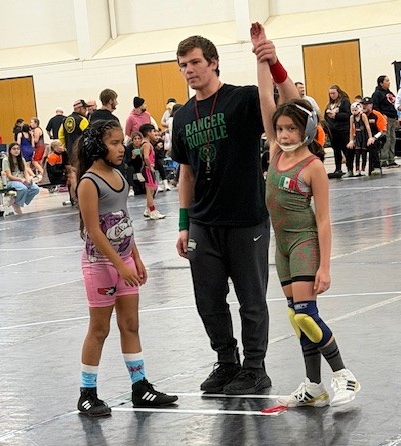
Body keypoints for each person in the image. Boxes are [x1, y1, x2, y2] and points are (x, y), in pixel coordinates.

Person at [172, 32, 297, 395]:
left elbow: (293, 105)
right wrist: (183, 224)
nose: (189, 70)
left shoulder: (242, 99)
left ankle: (255, 368)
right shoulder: (182, 117)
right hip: (203, 223)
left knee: (251, 300)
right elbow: (186, 174)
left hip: (246, 219)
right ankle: (227, 362)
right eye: (183, 65)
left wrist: (272, 62)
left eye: (195, 62)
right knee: (208, 300)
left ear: (213, 62)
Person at [251, 22, 360, 408]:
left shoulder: (313, 166)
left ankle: (343, 375)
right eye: (279, 129)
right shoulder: (275, 151)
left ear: (307, 130)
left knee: (307, 316)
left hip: (304, 243)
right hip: (281, 247)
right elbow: (266, 98)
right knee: (296, 317)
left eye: (290, 129)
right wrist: (261, 56)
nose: (282, 134)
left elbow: (325, 220)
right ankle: (313, 385)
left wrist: (325, 267)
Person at [74, 120, 178, 416]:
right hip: (100, 265)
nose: (122, 148)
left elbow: (124, 221)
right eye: (115, 143)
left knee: (130, 325)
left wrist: (136, 257)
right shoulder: (88, 182)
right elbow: (94, 230)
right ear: (98, 147)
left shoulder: (119, 176)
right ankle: (87, 393)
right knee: (99, 329)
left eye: (122, 142)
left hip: (124, 262)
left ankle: (140, 386)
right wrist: (120, 264)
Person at [2, 142, 40, 215]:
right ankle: (17, 204)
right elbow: (9, 176)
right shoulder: (5, 160)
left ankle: (17, 201)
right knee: (23, 188)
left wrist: (28, 179)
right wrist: (20, 180)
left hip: (22, 180)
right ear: (10, 150)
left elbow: (25, 172)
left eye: (18, 149)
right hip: (12, 181)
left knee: (35, 189)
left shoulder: (22, 159)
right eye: (14, 149)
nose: (16, 150)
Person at [323, 85, 352, 178]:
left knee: (346, 150)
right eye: (330, 94)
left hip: (343, 129)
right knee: (336, 150)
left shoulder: (344, 101)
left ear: (338, 93)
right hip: (333, 131)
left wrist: (336, 115)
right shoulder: (330, 104)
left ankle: (350, 168)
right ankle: (338, 168)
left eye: (334, 93)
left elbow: (348, 115)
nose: (332, 95)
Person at [371, 75, 399, 167]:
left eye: (389, 80)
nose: (389, 82)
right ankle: (383, 159)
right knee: (386, 139)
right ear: (381, 83)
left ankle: (391, 159)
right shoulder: (377, 94)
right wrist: (382, 115)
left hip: (392, 118)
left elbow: (393, 105)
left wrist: (396, 116)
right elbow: (375, 107)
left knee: (392, 139)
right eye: (386, 81)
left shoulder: (389, 93)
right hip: (385, 118)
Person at [139, 123, 165, 220]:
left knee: (153, 189)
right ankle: (153, 211)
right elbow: (146, 157)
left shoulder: (146, 144)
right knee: (150, 191)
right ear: (148, 133)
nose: (155, 134)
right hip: (148, 169)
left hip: (147, 168)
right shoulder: (147, 144)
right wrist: (150, 167)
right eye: (153, 131)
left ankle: (148, 209)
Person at [346, 101, 375, 177]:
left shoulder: (363, 116)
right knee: (357, 153)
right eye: (352, 110)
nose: (354, 112)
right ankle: (357, 169)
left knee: (364, 153)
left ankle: (363, 169)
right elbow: (351, 129)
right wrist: (351, 140)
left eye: (355, 110)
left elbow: (367, 127)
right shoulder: (352, 117)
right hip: (357, 136)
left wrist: (370, 137)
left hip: (364, 136)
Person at [361, 96, 387, 175]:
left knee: (372, 144)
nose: (364, 106)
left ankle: (376, 167)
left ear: (371, 105)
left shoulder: (377, 114)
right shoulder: (359, 115)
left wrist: (374, 138)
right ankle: (352, 169)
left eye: (367, 104)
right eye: (363, 104)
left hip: (377, 137)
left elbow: (383, 131)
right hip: (363, 137)